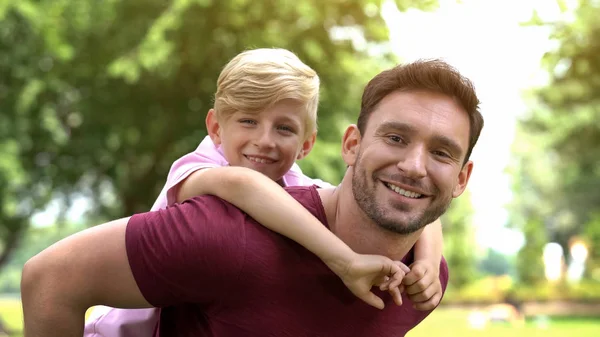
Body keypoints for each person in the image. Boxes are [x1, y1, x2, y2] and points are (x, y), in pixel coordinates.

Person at [22, 59, 484, 337]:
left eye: (440, 153)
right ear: (351, 145)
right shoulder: (223, 228)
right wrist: (342, 261)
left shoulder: (421, 283)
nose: (415, 167)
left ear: (461, 178)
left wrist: (427, 258)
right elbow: (49, 280)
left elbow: (414, 205)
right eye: (396, 138)